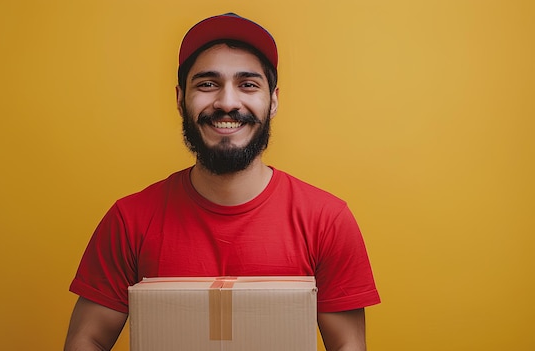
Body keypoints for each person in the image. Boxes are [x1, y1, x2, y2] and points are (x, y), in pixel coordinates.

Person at [64, 13, 380, 351]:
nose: (227, 102)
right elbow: (89, 339)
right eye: (207, 84)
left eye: (247, 84)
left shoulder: (327, 221)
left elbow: (348, 346)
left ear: (272, 101)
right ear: (179, 99)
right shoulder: (130, 220)